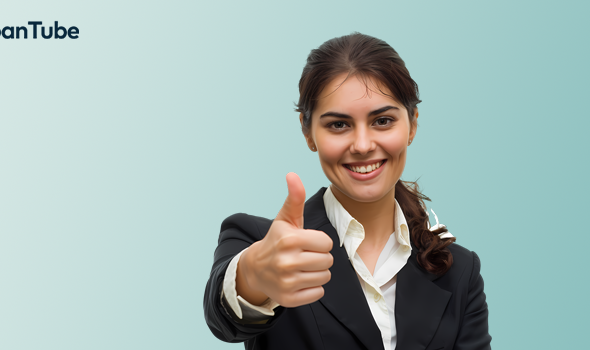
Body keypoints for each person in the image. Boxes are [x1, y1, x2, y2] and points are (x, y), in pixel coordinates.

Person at [203, 32, 491, 350]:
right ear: (307, 132)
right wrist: (254, 275)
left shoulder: (460, 271)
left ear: (413, 124)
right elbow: (223, 317)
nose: (363, 145)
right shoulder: (261, 241)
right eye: (339, 125)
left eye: (382, 120)